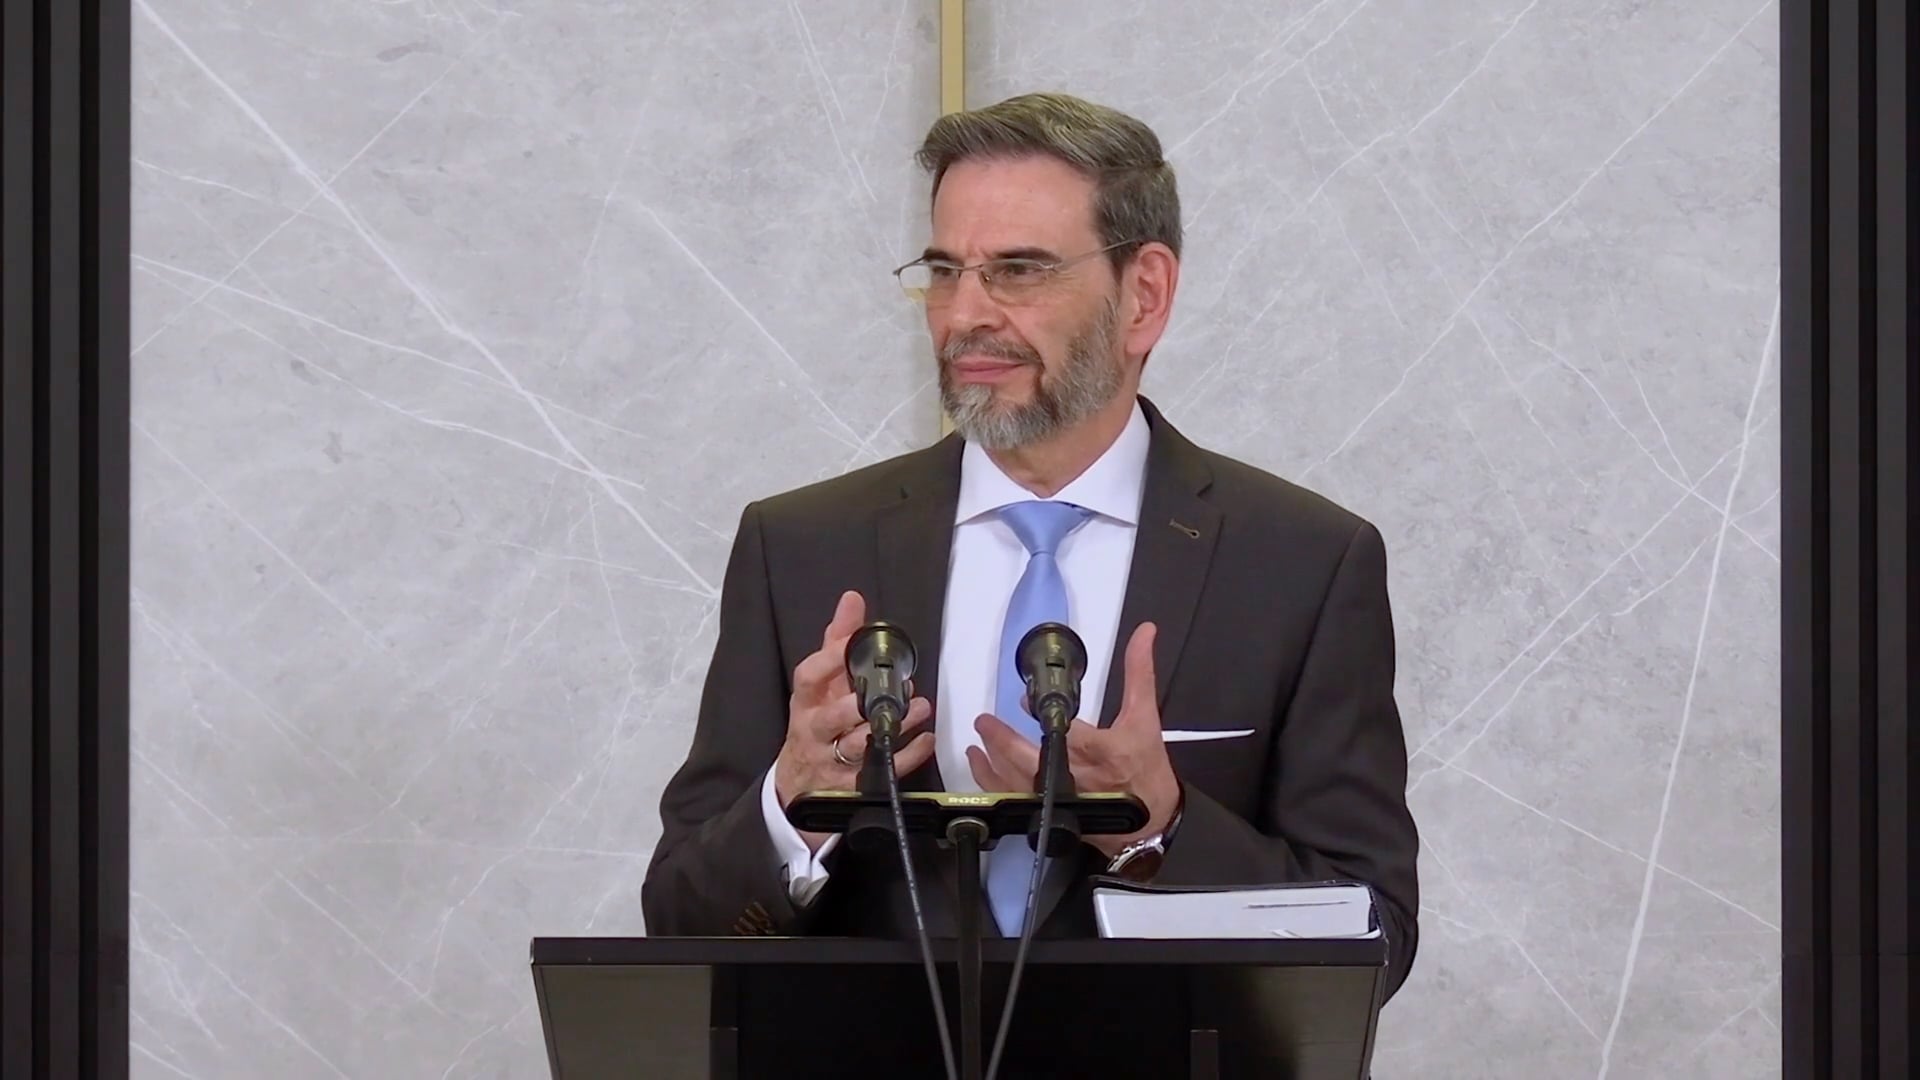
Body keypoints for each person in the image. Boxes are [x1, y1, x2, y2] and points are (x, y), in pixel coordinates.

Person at [640, 92, 1419, 996]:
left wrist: (1159, 830)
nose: (964, 315)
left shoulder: (1302, 563)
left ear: (1144, 295)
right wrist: (793, 808)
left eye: (1017, 270)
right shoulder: (801, 548)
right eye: (944, 270)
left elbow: (1375, 940)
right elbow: (680, 926)